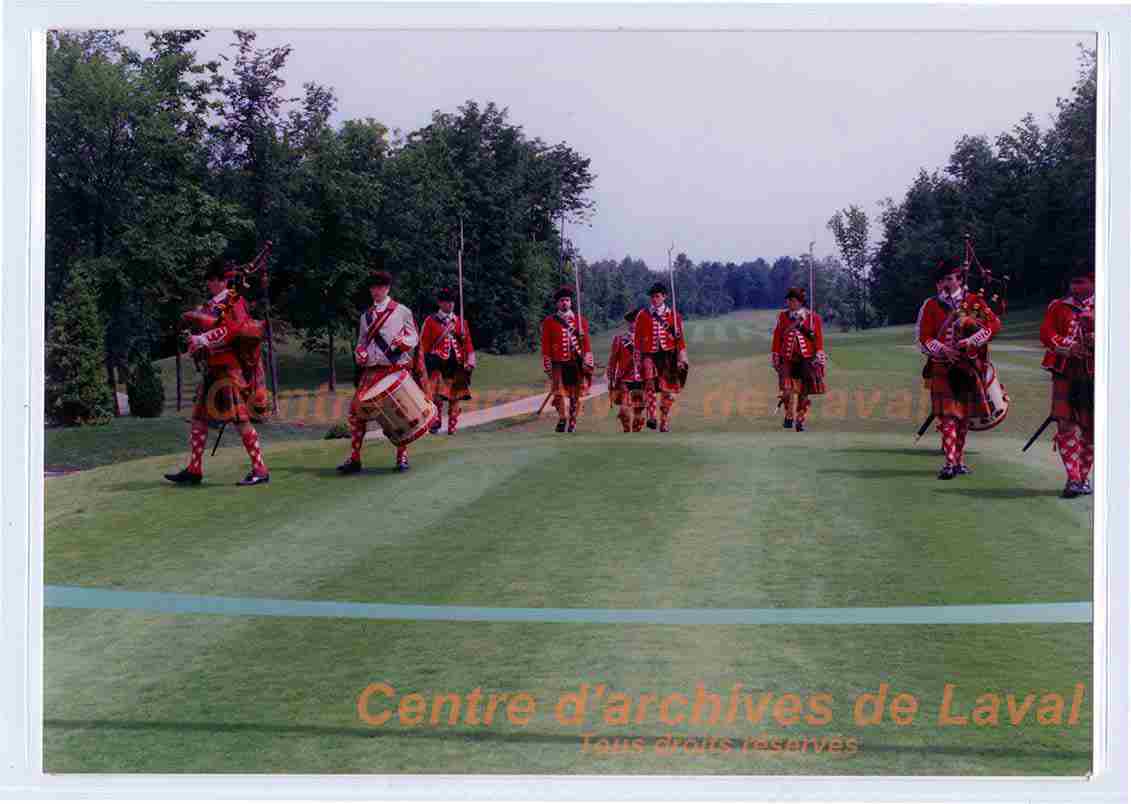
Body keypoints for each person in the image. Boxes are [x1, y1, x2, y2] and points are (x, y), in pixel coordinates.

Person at [165, 259, 271, 486]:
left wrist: (203, 339)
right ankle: (194, 469)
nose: (211, 284)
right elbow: (212, 327)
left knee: (241, 419)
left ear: (224, 280)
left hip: (229, 370)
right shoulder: (214, 305)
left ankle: (260, 469)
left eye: (215, 280)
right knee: (199, 419)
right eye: (211, 280)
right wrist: (195, 343)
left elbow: (232, 330)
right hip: (213, 368)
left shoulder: (235, 301)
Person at [915, 258, 1002, 480]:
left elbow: (993, 325)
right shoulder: (932, 305)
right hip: (942, 367)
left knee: (963, 417)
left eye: (951, 279)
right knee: (947, 417)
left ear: (959, 279)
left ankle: (958, 460)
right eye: (943, 279)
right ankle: (950, 462)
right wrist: (943, 349)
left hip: (968, 366)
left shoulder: (973, 302)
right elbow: (924, 336)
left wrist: (972, 341)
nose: (947, 283)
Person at [338, 267, 420, 473]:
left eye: (381, 287)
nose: (377, 291)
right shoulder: (365, 316)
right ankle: (355, 458)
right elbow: (361, 343)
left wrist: (404, 342)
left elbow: (414, 337)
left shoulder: (402, 311)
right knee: (356, 415)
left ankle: (402, 458)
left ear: (388, 288)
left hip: (394, 369)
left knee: (400, 415)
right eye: (374, 287)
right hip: (371, 372)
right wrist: (360, 353)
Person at [1039, 265, 1095, 498]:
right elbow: (1046, 333)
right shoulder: (1058, 306)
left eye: (1081, 282)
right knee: (1066, 426)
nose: (1076, 287)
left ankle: (1083, 477)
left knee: (1092, 430)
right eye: (1073, 282)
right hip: (1066, 373)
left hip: (1095, 376)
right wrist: (1067, 346)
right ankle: (1073, 478)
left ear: (1093, 282)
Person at [419, 287, 476, 435]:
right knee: (437, 396)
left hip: (456, 364)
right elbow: (423, 345)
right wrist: (422, 364)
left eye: (451, 302)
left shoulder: (460, 321)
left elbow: (468, 343)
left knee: (455, 397)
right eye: (446, 302)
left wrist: (470, 359)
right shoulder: (430, 321)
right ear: (440, 303)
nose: (450, 305)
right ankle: (435, 422)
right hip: (438, 364)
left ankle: (452, 427)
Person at [633, 282, 688, 432]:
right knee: (649, 382)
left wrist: (682, 358)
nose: (654, 299)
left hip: (668, 355)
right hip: (649, 354)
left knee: (667, 391)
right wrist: (637, 360)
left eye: (657, 296)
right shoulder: (643, 315)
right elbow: (637, 340)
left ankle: (664, 422)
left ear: (664, 297)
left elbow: (680, 340)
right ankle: (651, 416)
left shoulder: (674, 316)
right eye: (652, 297)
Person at [770, 287, 827, 432]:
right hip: (787, 358)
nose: (789, 303)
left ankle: (800, 421)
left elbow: (818, 338)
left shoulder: (813, 318)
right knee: (787, 388)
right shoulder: (782, 317)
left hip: (806, 358)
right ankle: (789, 416)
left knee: (804, 391)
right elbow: (777, 337)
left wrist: (819, 352)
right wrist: (775, 354)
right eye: (788, 300)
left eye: (792, 300)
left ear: (800, 302)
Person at [541, 285, 593, 433]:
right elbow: (546, 344)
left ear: (571, 302)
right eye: (562, 300)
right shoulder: (549, 322)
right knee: (558, 392)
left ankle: (572, 423)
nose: (565, 303)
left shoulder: (580, 320)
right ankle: (562, 417)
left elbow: (587, 344)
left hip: (575, 361)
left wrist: (587, 359)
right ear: (557, 303)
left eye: (567, 300)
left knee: (575, 394)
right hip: (558, 362)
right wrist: (547, 361)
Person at [606, 309, 645, 432]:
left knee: (638, 411)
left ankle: (636, 430)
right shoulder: (619, 339)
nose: (636, 324)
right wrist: (611, 378)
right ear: (629, 323)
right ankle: (626, 430)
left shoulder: (646, 340)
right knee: (624, 409)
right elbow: (613, 360)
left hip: (641, 379)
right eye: (633, 322)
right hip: (624, 378)